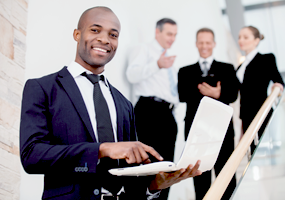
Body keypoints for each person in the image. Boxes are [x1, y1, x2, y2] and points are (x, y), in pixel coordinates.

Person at [20, 7, 202, 200]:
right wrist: (102, 149)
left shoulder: (124, 104)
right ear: (77, 34)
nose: (105, 40)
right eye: (95, 30)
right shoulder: (43, 88)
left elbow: (129, 176)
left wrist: (155, 185)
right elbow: (32, 156)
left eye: (113, 35)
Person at [178, 28, 238, 200]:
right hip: (196, 133)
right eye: (201, 42)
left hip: (223, 131)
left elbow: (233, 94)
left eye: (208, 42)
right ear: (196, 44)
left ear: (214, 44)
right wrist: (213, 91)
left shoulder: (227, 68)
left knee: (226, 177)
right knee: (199, 179)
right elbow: (183, 95)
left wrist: (218, 94)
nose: (204, 46)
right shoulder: (185, 71)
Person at [126, 18, 178, 200]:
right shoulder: (145, 50)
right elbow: (131, 75)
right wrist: (157, 64)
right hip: (149, 112)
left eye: (175, 35)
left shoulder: (169, 57)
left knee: (167, 168)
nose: (172, 38)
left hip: (167, 114)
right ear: (158, 32)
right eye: (169, 33)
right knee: (148, 166)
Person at [237, 26, 285, 154]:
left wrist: (276, 87)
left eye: (245, 37)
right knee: (251, 153)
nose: (241, 40)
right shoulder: (241, 66)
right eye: (239, 37)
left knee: (267, 151)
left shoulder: (266, 58)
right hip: (246, 117)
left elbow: (279, 81)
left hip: (262, 112)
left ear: (256, 40)